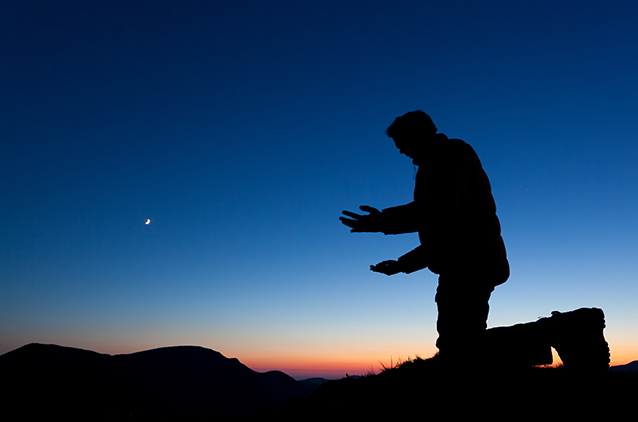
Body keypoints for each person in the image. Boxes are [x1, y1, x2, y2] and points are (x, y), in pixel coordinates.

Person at [340, 111, 609, 370]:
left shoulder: (450, 154)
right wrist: (401, 264)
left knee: (459, 351)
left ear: (419, 135)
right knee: (459, 347)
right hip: (463, 264)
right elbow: (445, 232)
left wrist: (383, 221)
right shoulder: (433, 164)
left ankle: (564, 328)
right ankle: (561, 331)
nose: (401, 151)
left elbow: (441, 210)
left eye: (403, 143)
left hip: (472, 265)